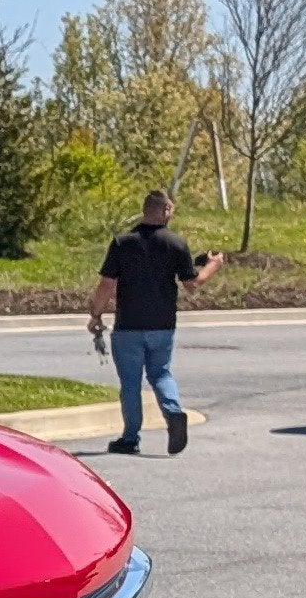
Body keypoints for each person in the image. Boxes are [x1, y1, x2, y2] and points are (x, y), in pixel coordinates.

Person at [89, 190, 221, 454]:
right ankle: (173, 413)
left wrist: (96, 314)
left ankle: (130, 438)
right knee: (160, 373)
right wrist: (214, 265)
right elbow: (192, 284)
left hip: (128, 324)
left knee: (130, 383)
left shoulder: (122, 243)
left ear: (144, 209)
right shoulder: (176, 244)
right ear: (167, 210)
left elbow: (107, 284)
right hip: (163, 324)